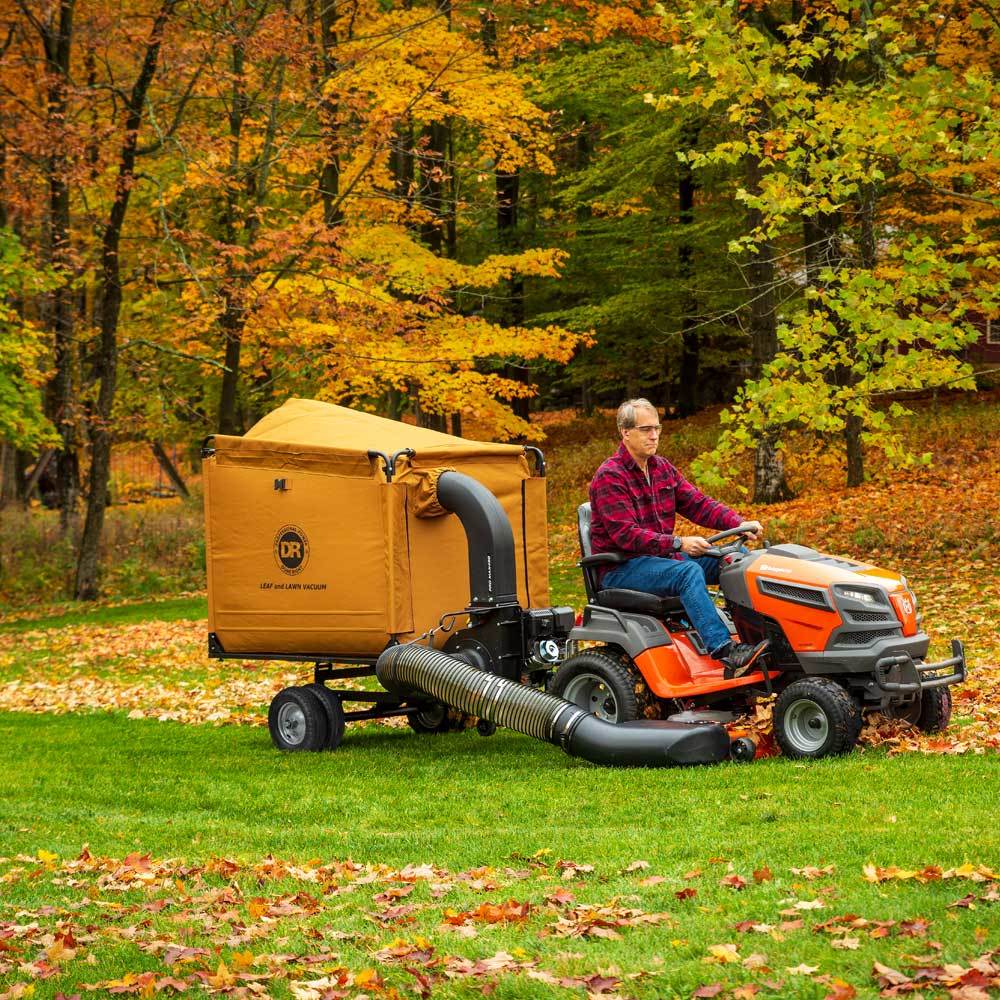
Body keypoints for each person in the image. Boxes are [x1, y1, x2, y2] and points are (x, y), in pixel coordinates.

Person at [589, 397, 769, 678]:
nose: (654, 435)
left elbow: (697, 504)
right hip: (621, 568)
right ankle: (725, 650)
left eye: (657, 428)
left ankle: (759, 637)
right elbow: (626, 536)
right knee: (687, 572)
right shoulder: (610, 477)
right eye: (646, 429)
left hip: (660, 559)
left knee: (734, 560)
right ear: (626, 433)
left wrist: (738, 522)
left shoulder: (662, 468)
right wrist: (678, 543)